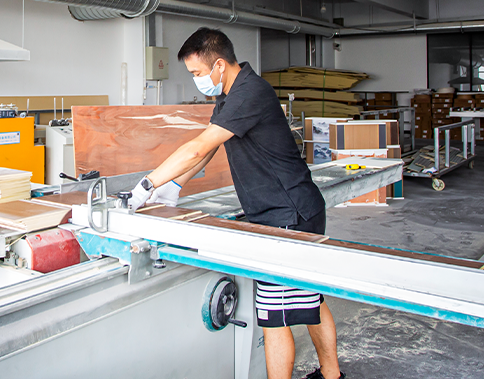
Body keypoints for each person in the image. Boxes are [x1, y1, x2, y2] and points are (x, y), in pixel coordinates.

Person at [128, 27, 344, 379]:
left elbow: (197, 147)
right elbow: (210, 146)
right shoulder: (230, 95)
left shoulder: (249, 93)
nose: (196, 79)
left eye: (197, 72)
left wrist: (146, 186)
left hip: (286, 215)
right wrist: (174, 186)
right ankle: (332, 375)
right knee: (310, 301)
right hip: (294, 208)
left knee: (275, 319)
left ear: (218, 65)